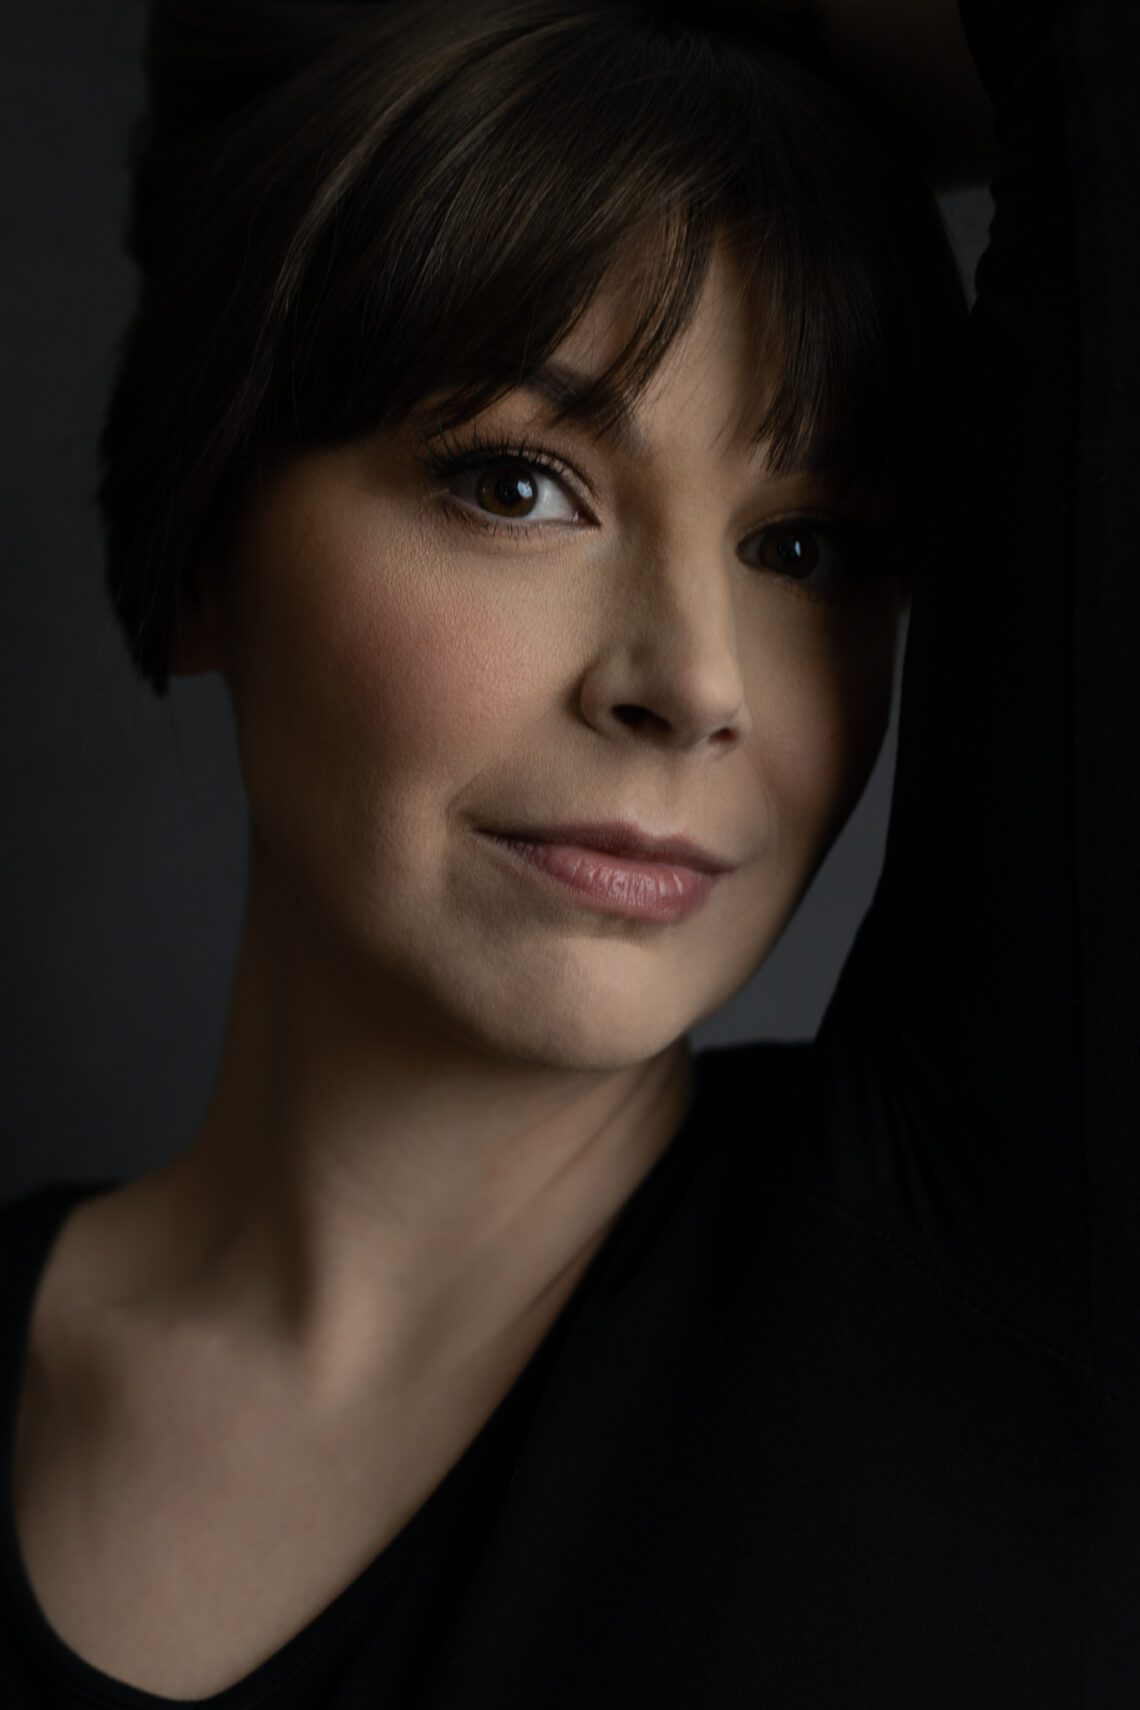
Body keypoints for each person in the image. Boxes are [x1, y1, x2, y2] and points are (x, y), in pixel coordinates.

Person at [2, 0, 1136, 1701]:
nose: (695, 684)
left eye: (805, 545)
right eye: (521, 485)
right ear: (202, 553)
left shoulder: (1011, 1264)